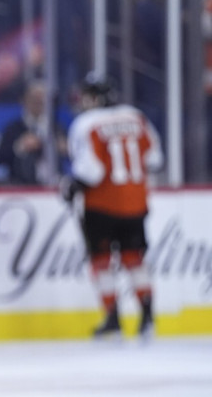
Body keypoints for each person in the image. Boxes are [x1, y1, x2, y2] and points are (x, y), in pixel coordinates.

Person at [61, 77, 163, 340]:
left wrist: (71, 187)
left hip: (102, 204)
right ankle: (147, 316)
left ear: (95, 98)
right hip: (136, 202)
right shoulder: (136, 117)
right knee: (134, 258)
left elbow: (91, 172)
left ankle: (113, 318)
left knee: (102, 261)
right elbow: (155, 159)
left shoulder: (86, 124)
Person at [0, 80, 68, 185]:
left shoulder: (56, 128)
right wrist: (20, 146)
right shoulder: (14, 128)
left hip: (52, 187)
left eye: (42, 99)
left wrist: (63, 148)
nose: (39, 103)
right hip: (21, 188)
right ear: (24, 100)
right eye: (34, 99)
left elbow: (73, 154)